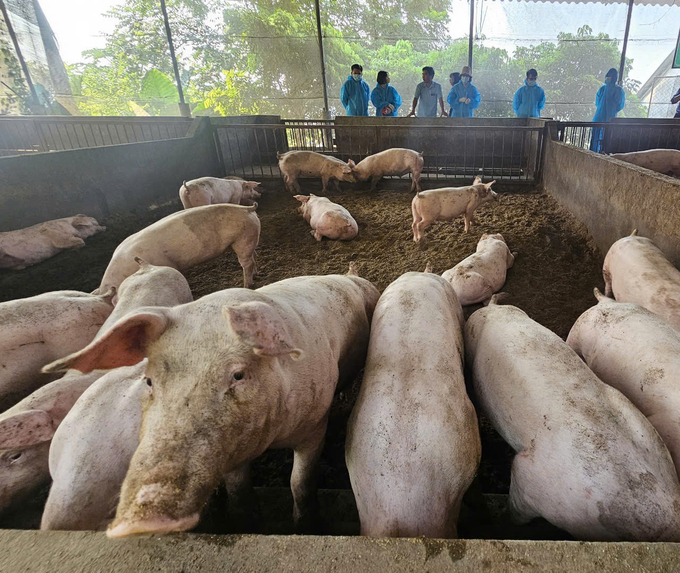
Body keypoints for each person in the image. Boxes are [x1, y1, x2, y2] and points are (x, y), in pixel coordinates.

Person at [589, 68, 625, 153]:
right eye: (607, 76)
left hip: (609, 119)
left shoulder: (618, 90)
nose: (608, 78)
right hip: (599, 119)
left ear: (615, 78)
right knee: (596, 139)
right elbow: (597, 103)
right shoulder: (602, 89)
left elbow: (619, 105)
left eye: (610, 76)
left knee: (606, 140)